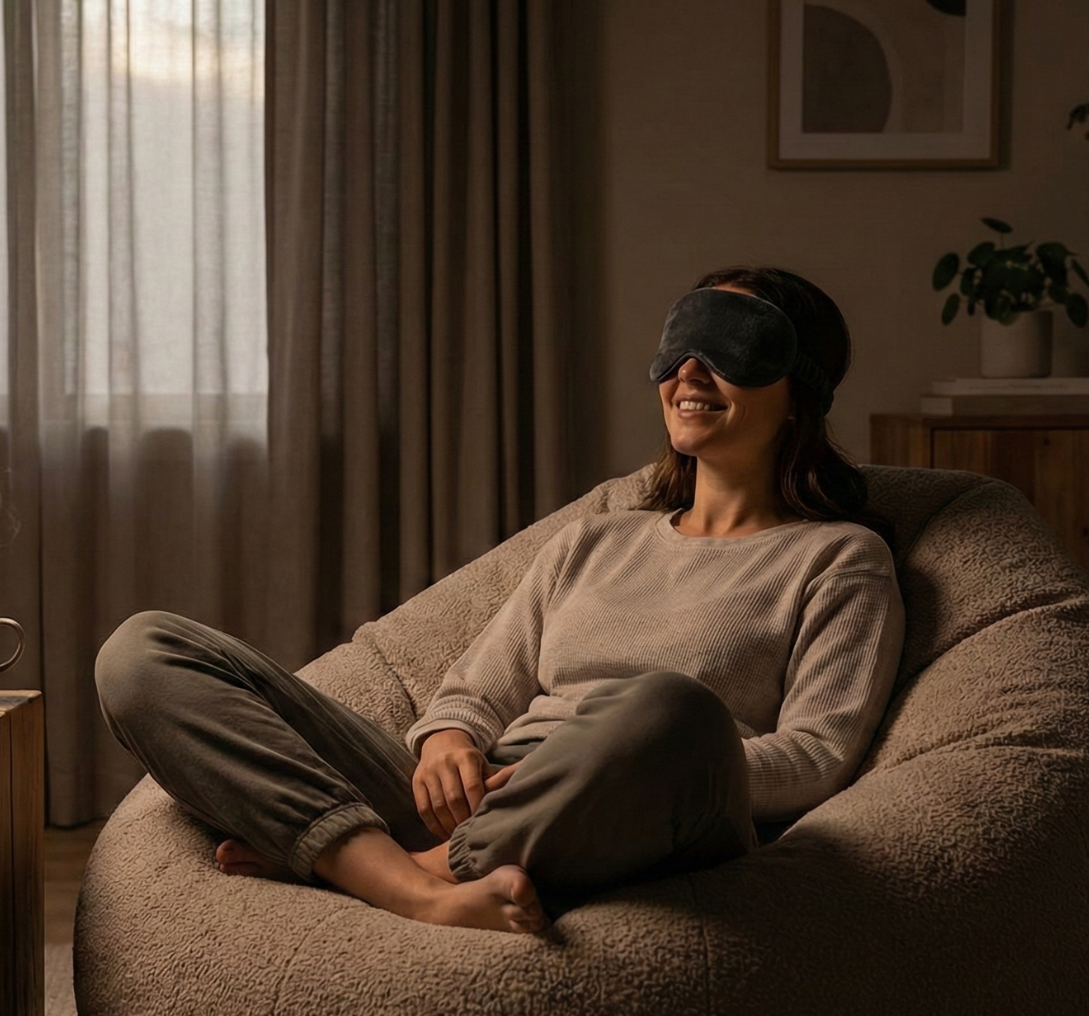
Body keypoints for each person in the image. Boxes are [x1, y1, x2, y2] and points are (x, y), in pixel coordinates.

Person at [94, 266, 905, 934]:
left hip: (648, 811)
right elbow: (473, 693)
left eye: (729, 348)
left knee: (671, 709)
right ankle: (411, 882)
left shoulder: (838, 559)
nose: (689, 371)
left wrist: (585, 767)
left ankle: (381, 875)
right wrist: (450, 743)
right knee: (145, 650)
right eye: (679, 346)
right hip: (492, 800)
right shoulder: (598, 539)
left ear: (800, 389)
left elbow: (816, 757)